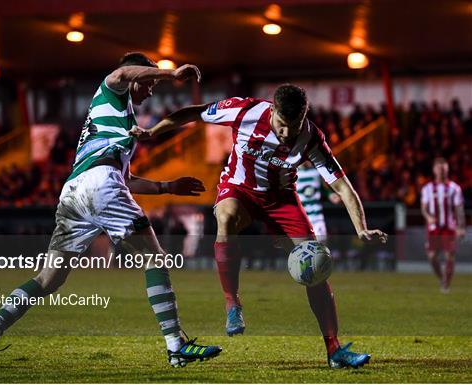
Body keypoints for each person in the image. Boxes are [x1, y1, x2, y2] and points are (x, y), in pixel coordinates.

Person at [0, 52, 221, 369]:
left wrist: (167, 187)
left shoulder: (118, 119)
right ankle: (175, 344)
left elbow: (126, 179)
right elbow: (120, 74)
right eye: (150, 82)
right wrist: (172, 73)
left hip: (75, 192)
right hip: (99, 184)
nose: (152, 89)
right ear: (136, 76)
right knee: (154, 258)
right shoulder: (111, 90)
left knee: (48, 280)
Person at [131, 85, 387, 369]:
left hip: (281, 200)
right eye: (281, 124)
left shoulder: (312, 138)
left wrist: (361, 228)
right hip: (239, 190)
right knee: (225, 217)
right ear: (272, 110)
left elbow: (342, 184)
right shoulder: (246, 110)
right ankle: (233, 304)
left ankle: (334, 350)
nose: (287, 133)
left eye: (295, 126)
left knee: (315, 266)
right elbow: (195, 113)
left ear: (304, 116)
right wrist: (153, 133)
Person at [420, 157, 465, 293]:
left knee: (449, 255)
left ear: (448, 170)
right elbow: (424, 208)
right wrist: (428, 217)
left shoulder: (454, 188)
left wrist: (461, 227)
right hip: (434, 228)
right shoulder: (427, 188)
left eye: (444, 169)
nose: (442, 172)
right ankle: (442, 278)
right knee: (432, 256)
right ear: (434, 170)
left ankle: (446, 285)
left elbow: (459, 209)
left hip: (449, 227)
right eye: (439, 169)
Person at [296, 162, 341, 242]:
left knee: (321, 245)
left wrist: (330, 195)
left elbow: (323, 188)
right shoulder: (294, 174)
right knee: (301, 246)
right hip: (300, 218)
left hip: (316, 216)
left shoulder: (316, 173)